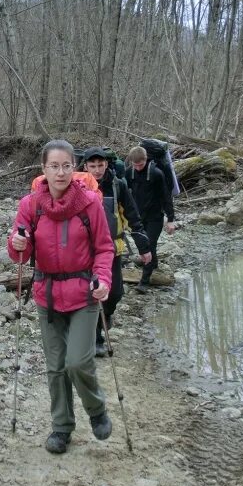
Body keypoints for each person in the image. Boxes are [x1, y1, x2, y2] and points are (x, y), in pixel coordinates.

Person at [8, 139, 115, 455]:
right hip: (47, 294)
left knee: (78, 361)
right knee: (55, 367)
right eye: (53, 166)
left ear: (74, 168)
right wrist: (17, 244)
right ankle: (61, 428)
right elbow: (21, 252)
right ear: (43, 169)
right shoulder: (30, 204)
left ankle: (96, 410)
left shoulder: (90, 204)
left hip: (84, 294)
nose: (60, 172)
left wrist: (104, 279)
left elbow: (105, 248)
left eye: (66, 166)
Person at [81, 147, 151, 358]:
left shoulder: (117, 185)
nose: (97, 170)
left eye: (100, 165)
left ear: (106, 164)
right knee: (94, 294)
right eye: (92, 166)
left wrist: (144, 247)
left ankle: (107, 315)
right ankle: (97, 338)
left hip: (112, 248)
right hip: (85, 250)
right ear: (85, 167)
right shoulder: (78, 186)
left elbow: (132, 215)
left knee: (115, 293)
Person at [124, 146, 176, 287]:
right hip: (137, 218)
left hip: (155, 217)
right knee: (145, 244)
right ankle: (154, 263)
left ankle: (144, 281)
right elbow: (124, 195)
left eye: (140, 165)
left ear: (146, 160)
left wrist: (170, 219)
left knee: (149, 244)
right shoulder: (129, 173)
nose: (138, 168)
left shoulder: (156, 174)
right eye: (135, 165)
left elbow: (166, 197)